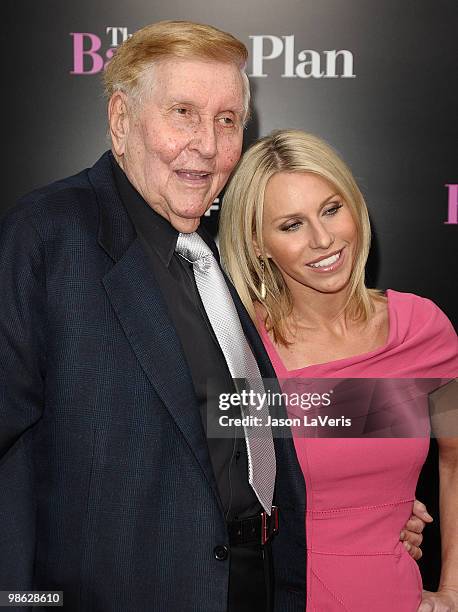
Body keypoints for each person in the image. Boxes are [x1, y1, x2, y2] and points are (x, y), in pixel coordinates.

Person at [0, 22, 429, 612]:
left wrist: (381, 499)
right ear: (121, 119)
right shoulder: (49, 236)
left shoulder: (213, 258)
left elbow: (236, 416)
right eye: (183, 112)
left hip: (252, 585)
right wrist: (24, 601)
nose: (206, 143)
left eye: (227, 120)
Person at [219, 129, 458, 611]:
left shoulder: (421, 330)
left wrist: (452, 589)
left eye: (331, 209)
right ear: (257, 243)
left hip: (390, 596)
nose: (323, 239)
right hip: (278, 597)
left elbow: (455, 458)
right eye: (291, 225)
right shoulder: (236, 348)